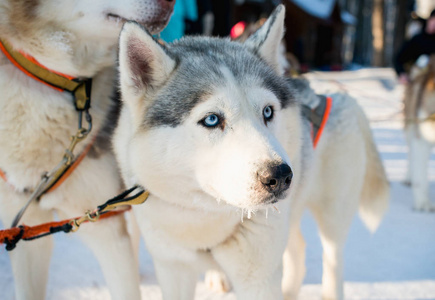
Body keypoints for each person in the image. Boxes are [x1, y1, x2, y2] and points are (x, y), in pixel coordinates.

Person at [395, 9, 435, 84]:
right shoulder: (417, 40)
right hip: (416, 80)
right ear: (429, 20)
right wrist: (401, 73)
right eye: (433, 20)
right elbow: (399, 59)